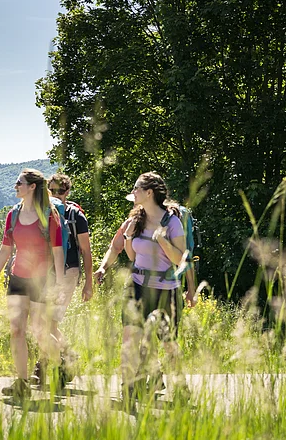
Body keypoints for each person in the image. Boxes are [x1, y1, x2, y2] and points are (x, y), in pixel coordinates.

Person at [98, 172, 194, 405]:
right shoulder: (134, 221)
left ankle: (180, 387)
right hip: (137, 286)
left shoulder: (171, 222)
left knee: (168, 343)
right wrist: (104, 267)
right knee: (130, 338)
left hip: (164, 290)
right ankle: (128, 389)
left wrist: (162, 240)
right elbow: (129, 254)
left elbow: (181, 259)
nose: (133, 193)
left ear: (149, 193)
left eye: (136, 189)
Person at [0, 169, 66, 398]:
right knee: (17, 330)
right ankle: (21, 383)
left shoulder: (49, 216)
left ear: (32, 187)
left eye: (19, 183)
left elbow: (58, 252)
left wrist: (59, 284)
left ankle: (59, 363)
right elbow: (6, 248)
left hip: (41, 280)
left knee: (39, 331)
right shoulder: (13, 215)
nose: (15, 186)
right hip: (18, 277)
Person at [29, 173, 94, 387]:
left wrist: (88, 283)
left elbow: (86, 250)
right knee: (44, 322)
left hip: (67, 272)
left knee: (49, 322)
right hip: (46, 273)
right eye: (52, 190)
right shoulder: (44, 212)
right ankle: (67, 357)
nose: (56, 194)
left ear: (67, 192)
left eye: (60, 191)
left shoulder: (76, 216)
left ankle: (45, 366)